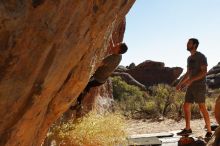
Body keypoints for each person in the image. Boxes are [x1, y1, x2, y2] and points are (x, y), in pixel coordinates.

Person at [70, 42, 128, 110]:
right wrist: (112, 41)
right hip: (101, 79)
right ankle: (79, 105)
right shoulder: (119, 56)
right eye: (116, 44)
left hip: (97, 79)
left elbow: (98, 64)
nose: (115, 45)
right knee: (87, 86)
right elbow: (114, 48)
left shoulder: (111, 58)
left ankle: (78, 104)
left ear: (118, 50)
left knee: (84, 85)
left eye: (117, 46)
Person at [176, 38, 212, 138]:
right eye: (187, 43)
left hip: (199, 86)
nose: (187, 44)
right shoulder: (189, 58)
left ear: (195, 45)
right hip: (191, 86)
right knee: (186, 105)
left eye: (189, 43)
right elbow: (188, 73)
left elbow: (204, 72)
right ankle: (188, 129)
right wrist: (180, 83)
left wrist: (191, 80)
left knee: (202, 107)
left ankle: (209, 131)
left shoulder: (201, 56)